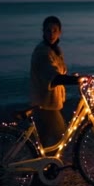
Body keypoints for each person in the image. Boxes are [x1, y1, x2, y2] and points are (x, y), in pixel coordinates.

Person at [30, 15, 81, 151]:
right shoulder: (43, 52)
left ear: (60, 32)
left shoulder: (55, 50)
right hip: (45, 104)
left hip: (51, 103)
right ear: (43, 32)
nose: (51, 34)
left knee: (44, 142)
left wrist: (73, 77)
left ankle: (43, 169)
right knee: (61, 137)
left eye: (54, 30)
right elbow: (54, 77)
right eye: (48, 30)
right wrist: (78, 80)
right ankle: (48, 167)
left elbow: (59, 73)